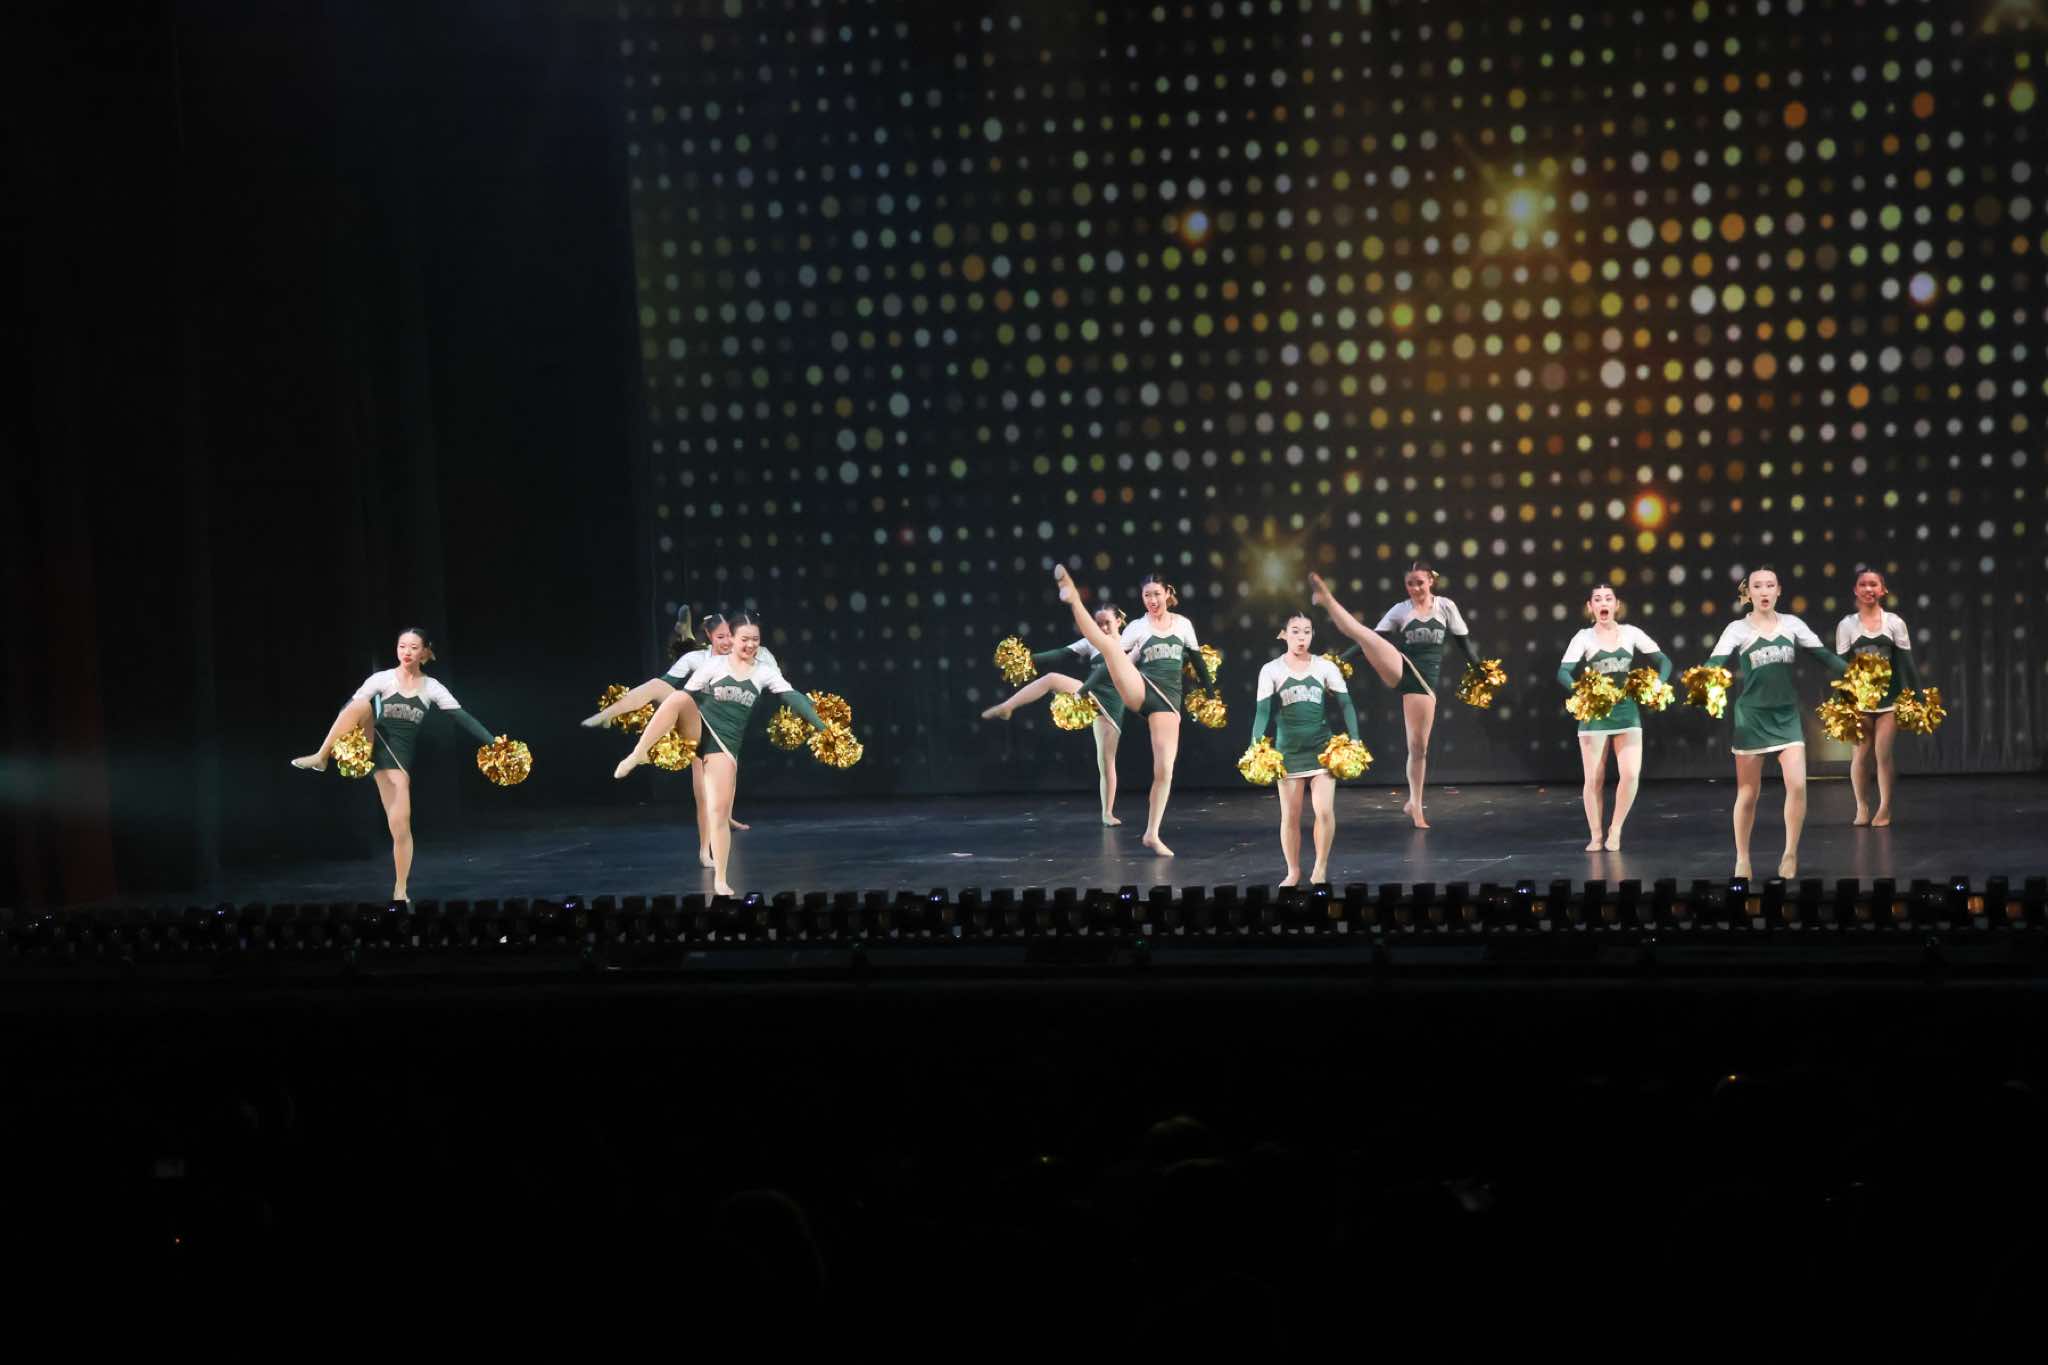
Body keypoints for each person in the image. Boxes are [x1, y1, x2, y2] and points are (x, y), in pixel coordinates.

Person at [610, 614, 825, 898]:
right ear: (732, 639)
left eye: (755, 640)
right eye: (744, 639)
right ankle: (638, 754)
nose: (750, 645)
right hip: (699, 726)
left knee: (718, 813)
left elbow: (793, 696)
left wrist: (823, 726)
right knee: (678, 698)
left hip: (724, 744)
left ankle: (720, 879)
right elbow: (685, 697)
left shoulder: (764, 672)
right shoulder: (713, 665)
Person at [290, 628, 498, 902]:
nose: (406, 652)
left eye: (413, 647)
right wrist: (348, 741)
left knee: (401, 826)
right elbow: (349, 710)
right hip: (370, 742)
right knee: (361, 706)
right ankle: (321, 756)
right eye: (402, 646)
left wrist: (494, 742)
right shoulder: (383, 678)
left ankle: (400, 890)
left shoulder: (432, 687)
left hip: (394, 761)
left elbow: (462, 717)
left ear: (424, 652)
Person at [1049, 567, 1215, 857]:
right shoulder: (1138, 627)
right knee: (1110, 648)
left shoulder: (1182, 625)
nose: (1152, 600)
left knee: (1164, 771)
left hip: (1167, 702)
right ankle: (1074, 599)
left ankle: (1152, 834)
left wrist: (1211, 694)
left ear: (1167, 593)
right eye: (1146, 595)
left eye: (1156, 594)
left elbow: (1198, 663)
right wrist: (1085, 689)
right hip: (1141, 688)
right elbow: (1110, 660)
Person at [1701, 567, 1847, 880]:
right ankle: (1742, 858)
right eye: (1758, 586)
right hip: (1751, 718)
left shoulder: (1792, 624)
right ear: (1748, 592)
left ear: (1779, 590)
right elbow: (1714, 663)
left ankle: (1790, 853)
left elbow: (1824, 655)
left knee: (1798, 785)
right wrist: (1702, 679)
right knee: (1748, 793)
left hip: (1786, 716)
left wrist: (1856, 674)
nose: (1764, 591)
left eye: (1770, 585)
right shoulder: (1737, 629)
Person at [584, 608, 762, 864]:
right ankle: (609, 714)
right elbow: (665, 684)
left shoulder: (743, 659)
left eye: (729, 636)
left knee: (716, 789)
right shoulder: (697, 659)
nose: (726, 642)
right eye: (720, 637)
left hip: (718, 733)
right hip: (692, 721)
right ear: (710, 636)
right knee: (659, 685)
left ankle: (713, 838)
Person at [1302, 566, 1475, 828]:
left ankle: (1414, 803)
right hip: (1402, 666)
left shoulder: (1445, 606)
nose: (1415, 588)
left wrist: (1479, 669)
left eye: (1419, 582)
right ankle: (1327, 599)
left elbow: (1463, 642)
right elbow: (1372, 639)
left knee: (1418, 748)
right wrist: (1340, 662)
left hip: (1424, 684)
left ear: (1431, 581)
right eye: (1410, 583)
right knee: (1364, 634)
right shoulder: (1400, 610)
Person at [979, 605, 1132, 826]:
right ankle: (1007, 706)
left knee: (1106, 762)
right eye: (1098, 624)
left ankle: (1107, 813)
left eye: (1107, 622)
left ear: (1118, 621)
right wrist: (1028, 659)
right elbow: (1061, 653)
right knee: (1051, 678)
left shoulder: (1129, 641)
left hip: (1113, 703)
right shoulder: (1092, 641)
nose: (1102, 628)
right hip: (1090, 693)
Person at [1556, 586, 1673, 851]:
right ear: (1590, 607)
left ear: (1616, 605)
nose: (1603, 603)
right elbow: (1563, 672)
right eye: (1597, 600)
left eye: (1608, 599)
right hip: (1595, 715)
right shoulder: (1583, 637)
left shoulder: (1631, 633)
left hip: (1626, 711)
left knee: (1630, 775)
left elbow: (1664, 661)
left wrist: (1658, 685)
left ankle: (1616, 829)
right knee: (1594, 779)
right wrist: (1583, 693)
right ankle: (1596, 835)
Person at [1248, 612, 1361, 886]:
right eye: (1295, 631)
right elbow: (1262, 712)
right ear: (1284, 635)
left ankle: (1320, 867)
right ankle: (1293, 871)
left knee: (1324, 812)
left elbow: (1346, 703)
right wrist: (1255, 745)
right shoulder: (1271, 670)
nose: (1301, 638)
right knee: (1290, 817)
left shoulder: (1325, 667)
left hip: (1321, 750)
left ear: (1312, 635)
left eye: (1307, 632)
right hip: (1288, 754)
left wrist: (1355, 739)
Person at [1833, 568, 1921, 828]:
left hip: (1889, 700)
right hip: (1859, 701)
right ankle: (1862, 806)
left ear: (1883, 590)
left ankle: (1884, 807)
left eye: (1874, 584)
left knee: (1882, 752)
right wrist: (1840, 702)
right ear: (1855, 590)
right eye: (1863, 584)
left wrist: (1916, 696)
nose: (1868, 589)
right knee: (1860, 754)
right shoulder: (1847, 625)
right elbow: (1841, 667)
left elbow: (1906, 664)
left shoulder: (1894, 622)